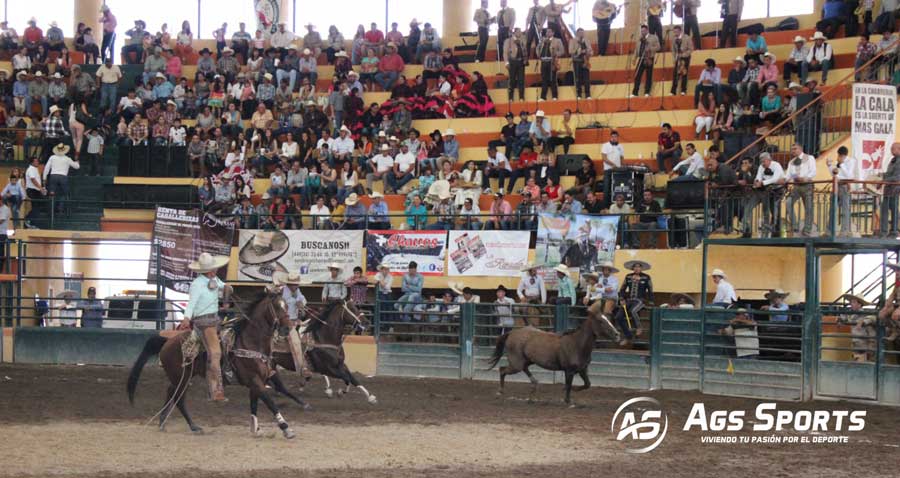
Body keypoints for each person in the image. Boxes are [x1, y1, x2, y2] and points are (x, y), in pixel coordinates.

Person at [183, 253, 232, 401]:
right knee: (215, 353)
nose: (216, 270)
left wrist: (227, 293)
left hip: (215, 319)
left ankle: (228, 371)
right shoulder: (197, 284)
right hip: (204, 322)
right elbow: (191, 303)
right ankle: (215, 390)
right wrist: (186, 318)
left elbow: (225, 287)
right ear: (209, 270)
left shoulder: (214, 279)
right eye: (214, 268)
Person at [616, 260, 653, 347]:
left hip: (640, 300)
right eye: (635, 267)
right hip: (629, 300)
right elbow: (622, 289)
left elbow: (650, 290)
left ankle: (639, 327)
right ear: (633, 268)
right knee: (618, 317)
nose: (637, 268)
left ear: (641, 268)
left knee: (633, 311)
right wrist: (621, 298)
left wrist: (651, 301)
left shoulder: (646, 277)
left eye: (639, 267)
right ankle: (628, 336)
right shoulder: (628, 276)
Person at [785, 143, 818, 237]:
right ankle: (795, 225)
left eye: (795, 149)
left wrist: (805, 178)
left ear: (800, 149)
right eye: (792, 149)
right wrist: (784, 180)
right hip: (796, 185)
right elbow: (788, 175)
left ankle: (807, 229)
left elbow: (813, 171)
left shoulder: (810, 158)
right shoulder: (791, 162)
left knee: (808, 208)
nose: (793, 151)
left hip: (807, 184)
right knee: (788, 202)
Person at [751, 152, 786, 238]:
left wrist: (762, 183)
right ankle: (771, 228)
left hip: (778, 189)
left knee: (775, 207)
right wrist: (757, 181)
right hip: (769, 189)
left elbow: (775, 179)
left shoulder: (776, 165)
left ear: (769, 160)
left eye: (764, 162)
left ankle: (775, 228)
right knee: (769, 208)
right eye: (761, 162)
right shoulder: (761, 167)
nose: (762, 164)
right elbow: (758, 176)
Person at [837, 294, 877, 362]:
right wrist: (840, 320)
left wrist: (864, 321)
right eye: (851, 302)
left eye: (854, 302)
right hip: (856, 345)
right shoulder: (850, 314)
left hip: (865, 346)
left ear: (860, 304)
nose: (851, 304)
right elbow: (842, 317)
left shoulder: (865, 315)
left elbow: (874, 318)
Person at [43, 143, 79, 214]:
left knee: (52, 194)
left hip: (53, 176)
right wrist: (77, 162)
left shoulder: (52, 157)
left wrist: (44, 178)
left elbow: (46, 168)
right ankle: (61, 210)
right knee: (63, 194)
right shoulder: (67, 159)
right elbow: (77, 167)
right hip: (63, 177)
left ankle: (51, 211)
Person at [632, 24, 660, 98]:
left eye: (644, 31)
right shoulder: (639, 38)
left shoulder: (653, 37)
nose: (643, 32)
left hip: (649, 58)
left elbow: (658, 47)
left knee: (649, 75)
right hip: (641, 58)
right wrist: (634, 58)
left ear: (647, 30)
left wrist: (650, 48)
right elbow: (636, 49)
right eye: (642, 31)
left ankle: (647, 92)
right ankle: (635, 92)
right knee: (637, 75)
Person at [536, 28, 563, 101]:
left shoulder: (557, 40)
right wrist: (539, 55)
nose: (548, 33)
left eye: (549, 32)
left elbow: (561, 51)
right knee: (544, 79)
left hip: (552, 62)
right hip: (544, 61)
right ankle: (543, 97)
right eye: (547, 32)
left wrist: (555, 54)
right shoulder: (542, 40)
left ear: (553, 33)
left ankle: (555, 96)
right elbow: (537, 48)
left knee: (553, 79)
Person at [879, 142, 900, 238]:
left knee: (894, 209)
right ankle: (884, 231)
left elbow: (897, 177)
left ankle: (894, 231)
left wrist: (884, 180)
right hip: (888, 189)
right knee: (885, 209)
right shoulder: (893, 160)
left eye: (893, 148)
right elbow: (889, 174)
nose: (891, 150)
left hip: (895, 189)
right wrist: (880, 176)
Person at [504, 28, 527, 102]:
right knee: (512, 80)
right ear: (515, 32)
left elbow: (525, 50)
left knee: (521, 80)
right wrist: (506, 62)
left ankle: (521, 97)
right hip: (512, 61)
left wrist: (525, 59)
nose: (520, 33)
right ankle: (510, 97)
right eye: (519, 32)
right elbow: (505, 52)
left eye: (521, 32)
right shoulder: (508, 41)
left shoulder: (522, 40)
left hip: (521, 62)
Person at [670, 25, 694, 96]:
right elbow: (673, 49)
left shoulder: (687, 38)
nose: (675, 33)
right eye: (674, 32)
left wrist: (683, 55)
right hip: (677, 58)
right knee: (675, 74)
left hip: (685, 58)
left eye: (677, 32)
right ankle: (673, 91)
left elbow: (691, 49)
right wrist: (675, 57)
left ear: (680, 31)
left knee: (684, 74)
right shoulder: (674, 39)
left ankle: (683, 90)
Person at [570, 28, 593, 99]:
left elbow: (591, 50)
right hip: (577, 61)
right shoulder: (572, 41)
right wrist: (579, 51)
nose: (581, 34)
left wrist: (588, 52)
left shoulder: (586, 40)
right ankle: (578, 95)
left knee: (587, 78)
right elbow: (570, 51)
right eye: (580, 33)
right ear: (577, 33)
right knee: (577, 79)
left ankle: (588, 95)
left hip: (585, 61)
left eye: (582, 33)